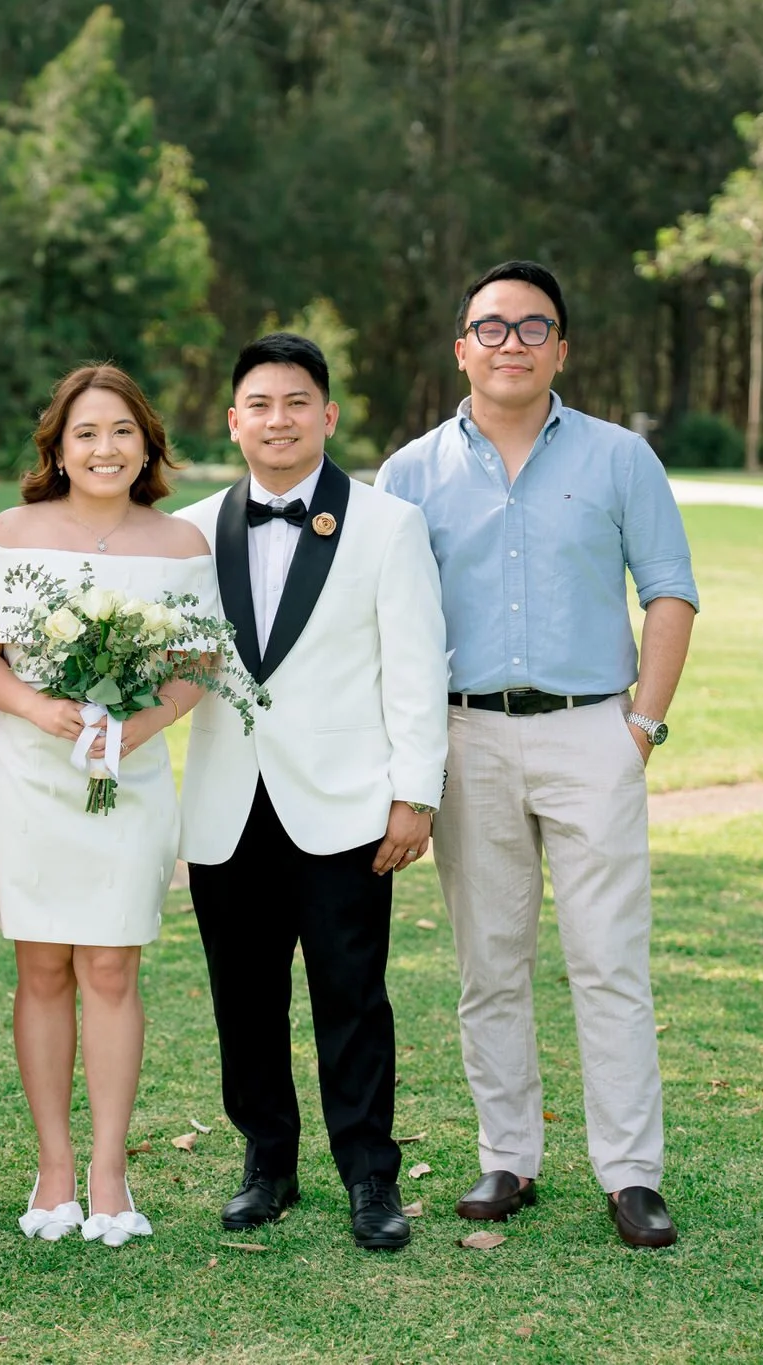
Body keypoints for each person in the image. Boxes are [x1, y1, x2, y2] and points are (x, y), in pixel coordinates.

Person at [376, 260, 699, 1249]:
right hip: (465, 737)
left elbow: (669, 591)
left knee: (607, 961)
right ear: (460, 347)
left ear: (560, 347)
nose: (509, 343)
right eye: (490, 327)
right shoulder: (408, 473)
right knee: (489, 965)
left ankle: (629, 1173)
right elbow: (383, 628)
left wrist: (639, 725)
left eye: (531, 327)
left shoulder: (616, 459)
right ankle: (506, 1157)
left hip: (591, 732)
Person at [175, 333, 448, 1252]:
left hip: (344, 801)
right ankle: (268, 1161)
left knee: (351, 993)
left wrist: (415, 794)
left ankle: (372, 1174)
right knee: (243, 996)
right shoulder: (192, 527)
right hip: (227, 801)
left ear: (327, 416)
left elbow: (415, 669)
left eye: (297, 403)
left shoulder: (387, 525)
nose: (278, 419)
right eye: (260, 404)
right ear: (233, 421)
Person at [0, 364, 216, 1248]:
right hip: (31, 771)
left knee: (110, 968)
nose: (104, 448)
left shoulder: (180, 543)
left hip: (129, 777)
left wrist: (134, 730)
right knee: (41, 968)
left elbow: (196, 669)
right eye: (85, 433)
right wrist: (41, 710)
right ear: (57, 449)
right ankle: (55, 1167)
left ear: (146, 443)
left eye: (121, 431)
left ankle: (110, 1173)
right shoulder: (13, 531)